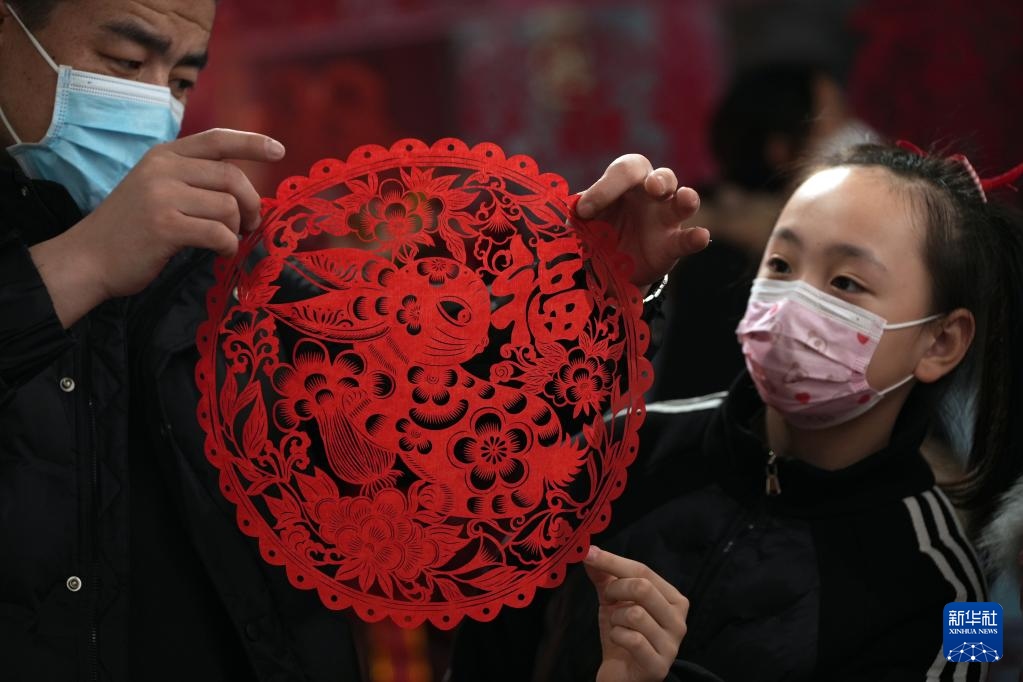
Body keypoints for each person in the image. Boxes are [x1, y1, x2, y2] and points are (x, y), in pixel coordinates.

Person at [0, 0, 705, 679]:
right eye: (126, 62)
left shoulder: (218, 268)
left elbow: (424, 427)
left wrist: (588, 291)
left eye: (182, 80)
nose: (156, 104)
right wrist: (81, 266)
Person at [453, 142, 1023, 681]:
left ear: (941, 341)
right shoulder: (622, 447)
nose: (793, 301)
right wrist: (570, 296)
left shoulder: (960, 602)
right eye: (781, 264)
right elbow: (477, 590)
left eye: (846, 282)